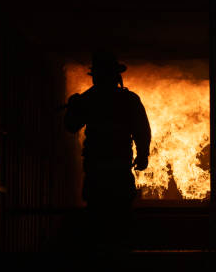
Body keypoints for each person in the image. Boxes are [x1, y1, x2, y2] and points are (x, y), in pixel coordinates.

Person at [64, 50, 151, 252]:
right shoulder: (127, 100)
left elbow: (70, 125)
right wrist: (143, 154)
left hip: (99, 173)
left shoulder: (89, 99)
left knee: (99, 220)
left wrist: (73, 107)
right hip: (115, 171)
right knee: (118, 220)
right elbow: (142, 130)